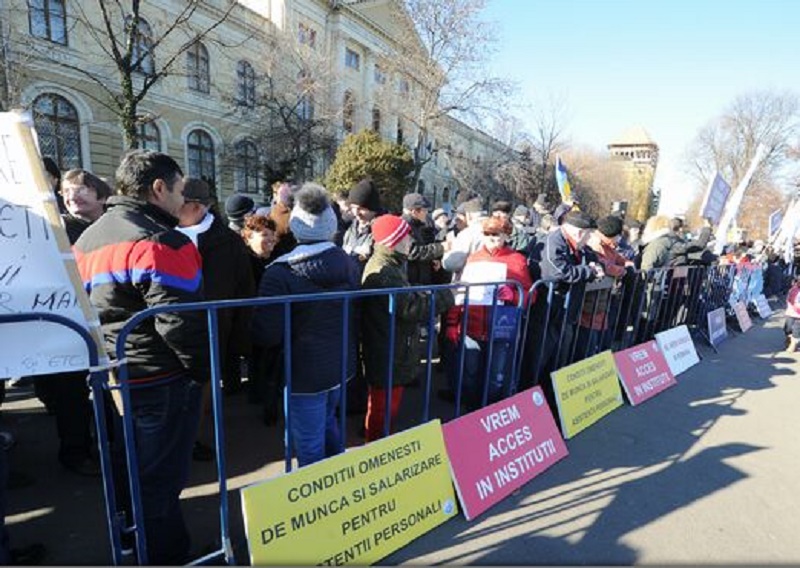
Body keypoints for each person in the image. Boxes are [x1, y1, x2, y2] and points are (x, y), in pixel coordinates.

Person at [74, 150, 208, 565]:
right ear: (158, 188)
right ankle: (167, 555)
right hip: (159, 377)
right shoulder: (160, 241)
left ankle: (130, 540)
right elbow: (180, 323)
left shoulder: (86, 238)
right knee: (159, 478)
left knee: (127, 466)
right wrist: (201, 371)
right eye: (180, 189)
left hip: (112, 374)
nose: (181, 198)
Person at [253, 183, 359, 466]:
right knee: (327, 423)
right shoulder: (349, 264)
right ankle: (339, 477)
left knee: (307, 443)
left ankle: (319, 503)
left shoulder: (279, 273)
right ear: (331, 226)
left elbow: (267, 333)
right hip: (340, 364)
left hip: (303, 371)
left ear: (297, 227)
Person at [177, 178, 255, 460]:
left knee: (203, 392)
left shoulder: (228, 241)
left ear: (196, 206)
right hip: (170, 330)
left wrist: (240, 339)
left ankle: (193, 439)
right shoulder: (160, 233)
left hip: (213, 331)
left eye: (178, 201)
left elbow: (244, 290)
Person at [361, 215, 454, 441]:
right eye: (406, 236)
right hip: (388, 348)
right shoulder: (385, 270)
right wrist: (447, 295)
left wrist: (423, 289)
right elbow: (412, 308)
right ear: (394, 241)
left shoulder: (391, 263)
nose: (410, 240)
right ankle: (376, 450)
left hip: (392, 345)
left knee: (388, 405)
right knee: (383, 409)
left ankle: (382, 442)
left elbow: (405, 294)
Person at [43, 169, 112, 476]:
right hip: (68, 324)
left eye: (81, 189)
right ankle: (75, 452)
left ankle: (110, 450)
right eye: (67, 191)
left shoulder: (111, 226)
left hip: (104, 321)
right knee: (70, 395)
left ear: (101, 194)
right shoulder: (55, 228)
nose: (72, 196)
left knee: (108, 393)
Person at [443, 216, 533, 408]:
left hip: (500, 328)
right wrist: (452, 322)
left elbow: (531, 294)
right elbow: (460, 292)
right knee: (469, 374)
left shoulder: (517, 260)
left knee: (495, 377)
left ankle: (491, 414)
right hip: (472, 325)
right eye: (488, 234)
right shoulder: (473, 259)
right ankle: (471, 414)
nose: (492, 238)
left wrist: (514, 295)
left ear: (506, 236)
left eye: (497, 235)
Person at [401, 193, 446, 286]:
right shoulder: (405, 226)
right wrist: (441, 248)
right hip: (411, 280)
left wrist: (430, 260)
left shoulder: (416, 226)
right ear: (414, 211)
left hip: (419, 278)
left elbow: (420, 248)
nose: (426, 214)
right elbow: (413, 252)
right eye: (424, 210)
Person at [342, 178, 382, 275]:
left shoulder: (381, 232)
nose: (356, 213)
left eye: (361, 209)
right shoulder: (350, 228)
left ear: (373, 209)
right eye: (353, 208)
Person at [784, 276, 800, 353]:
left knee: (796, 330)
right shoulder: (793, 290)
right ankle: (788, 339)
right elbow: (788, 299)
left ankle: (793, 346)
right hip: (791, 313)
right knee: (788, 329)